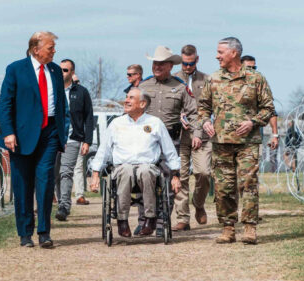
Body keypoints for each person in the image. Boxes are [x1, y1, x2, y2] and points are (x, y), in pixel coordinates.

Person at [0, 31, 69, 248]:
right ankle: (25, 233)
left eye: (54, 47)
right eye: (50, 47)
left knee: (45, 181)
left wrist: (62, 128)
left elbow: (60, 102)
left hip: (50, 133)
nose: (54, 51)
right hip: (21, 136)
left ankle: (44, 232)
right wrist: (8, 132)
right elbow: (6, 102)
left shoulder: (55, 70)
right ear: (36, 49)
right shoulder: (16, 69)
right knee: (23, 184)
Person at [198, 37, 275, 244]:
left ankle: (249, 227)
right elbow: (203, 106)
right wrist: (205, 120)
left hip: (247, 143)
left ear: (234, 53)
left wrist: (253, 122)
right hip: (221, 142)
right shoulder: (213, 79)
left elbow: (268, 108)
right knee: (224, 187)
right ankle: (228, 228)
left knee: (247, 184)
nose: (217, 56)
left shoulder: (255, 78)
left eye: (220, 52)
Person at [90, 87, 181, 237]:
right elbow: (103, 150)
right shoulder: (116, 124)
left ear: (143, 103)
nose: (126, 100)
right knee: (126, 171)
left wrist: (176, 175)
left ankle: (150, 218)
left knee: (145, 170)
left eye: (131, 98)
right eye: (127, 97)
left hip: (148, 168)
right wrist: (95, 173)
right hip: (122, 167)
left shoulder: (155, 123)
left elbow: (170, 150)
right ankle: (122, 220)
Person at [138, 45, 202, 237]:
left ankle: (161, 221)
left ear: (169, 65)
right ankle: (144, 221)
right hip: (146, 142)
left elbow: (193, 113)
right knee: (143, 179)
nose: (157, 66)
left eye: (161, 64)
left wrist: (197, 132)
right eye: (154, 63)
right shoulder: (143, 86)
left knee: (169, 181)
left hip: (171, 141)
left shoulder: (179, 87)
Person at [172, 44, 212, 231]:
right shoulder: (173, 80)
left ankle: (198, 202)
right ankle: (183, 217)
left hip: (201, 135)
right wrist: (179, 115)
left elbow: (212, 105)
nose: (187, 67)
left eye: (191, 63)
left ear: (197, 60)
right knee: (180, 175)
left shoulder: (207, 80)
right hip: (179, 136)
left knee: (204, 173)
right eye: (184, 64)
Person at [55, 59, 94, 221]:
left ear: (72, 72)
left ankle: (64, 206)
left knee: (66, 172)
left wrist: (87, 141)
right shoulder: (52, 90)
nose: (61, 72)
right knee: (54, 173)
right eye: (60, 69)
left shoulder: (81, 92)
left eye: (65, 70)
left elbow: (89, 117)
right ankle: (58, 203)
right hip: (53, 138)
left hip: (72, 138)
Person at [241, 55, 279, 150]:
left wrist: (274, 135)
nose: (252, 70)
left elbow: (271, 110)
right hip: (230, 138)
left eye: (254, 68)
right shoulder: (229, 83)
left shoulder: (260, 85)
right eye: (248, 68)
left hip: (253, 138)